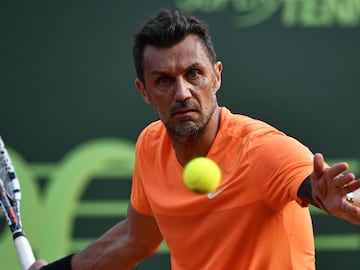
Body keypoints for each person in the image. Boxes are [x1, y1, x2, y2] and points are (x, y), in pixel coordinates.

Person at [30, 9, 360, 270]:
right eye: (163, 81)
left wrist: (327, 197)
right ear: (144, 91)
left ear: (216, 76)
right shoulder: (150, 147)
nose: (182, 93)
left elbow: (312, 184)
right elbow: (134, 241)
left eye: (194, 74)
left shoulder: (262, 148)